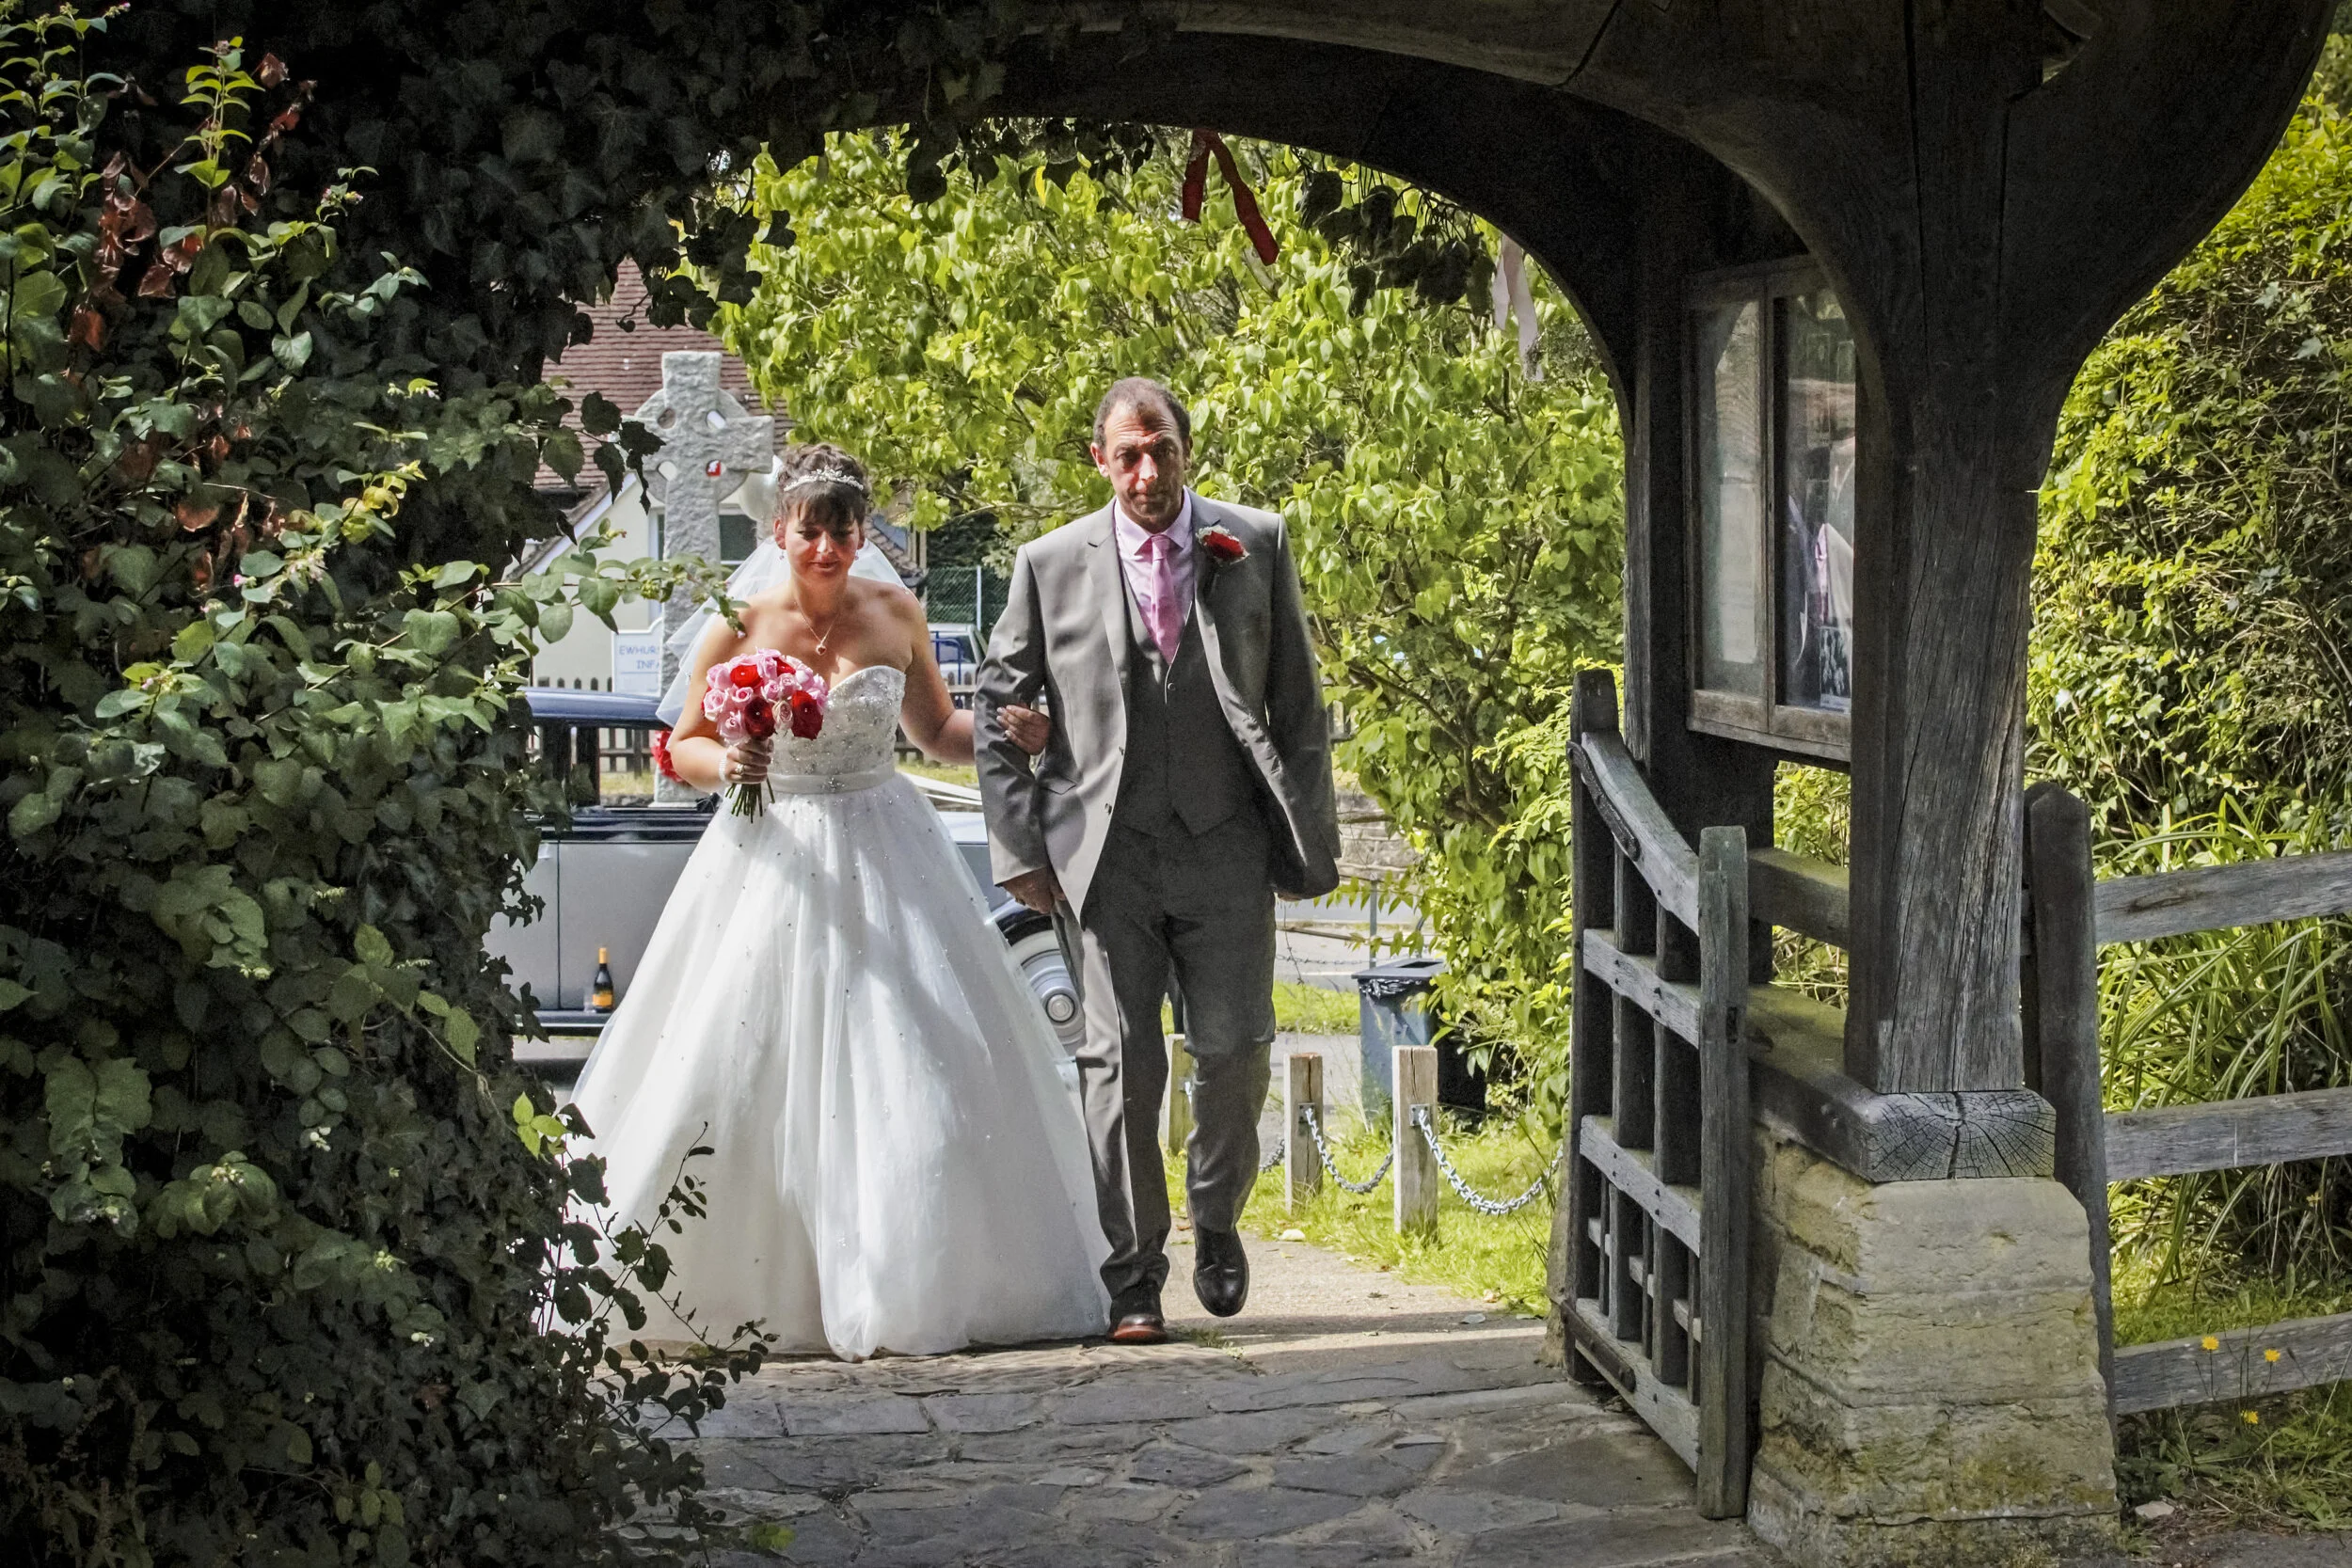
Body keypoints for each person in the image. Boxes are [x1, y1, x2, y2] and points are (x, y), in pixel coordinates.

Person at [568, 442, 1107, 1360]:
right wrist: (731, 762)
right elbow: (682, 744)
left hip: (885, 842)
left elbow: (936, 730)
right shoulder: (740, 621)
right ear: (780, 530)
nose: (826, 548)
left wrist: (1012, 735)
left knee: (919, 1058)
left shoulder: (895, 611)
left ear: (863, 535)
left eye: (843, 531)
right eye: (810, 530)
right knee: (735, 1059)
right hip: (770, 852)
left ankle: (920, 1276)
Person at [976, 378, 1341, 1345]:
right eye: (1128, 455)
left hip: (1227, 844)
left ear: (1187, 448)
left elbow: (1300, 707)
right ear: (1099, 460)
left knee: (1235, 1048)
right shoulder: (1048, 564)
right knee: (1120, 1063)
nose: (1147, 472)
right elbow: (999, 713)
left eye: (1162, 449)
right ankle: (1133, 1274)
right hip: (1105, 855)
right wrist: (1020, 849)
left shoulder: (1254, 541)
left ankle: (1216, 1216)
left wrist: (1308, 840)